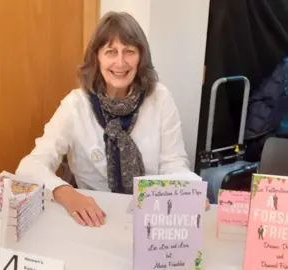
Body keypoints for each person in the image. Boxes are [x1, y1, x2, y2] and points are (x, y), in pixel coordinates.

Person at [16, 11, 207, 227]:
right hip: (94, 218)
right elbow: (29, 166)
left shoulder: (160, 98)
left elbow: (174, 165)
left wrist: (190, 188)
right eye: (110, 52)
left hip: (153, 217)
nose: (120, 62)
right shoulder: (76, 105)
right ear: (96, 57)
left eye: (129, 51)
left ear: (141, 57)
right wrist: (66, 193)